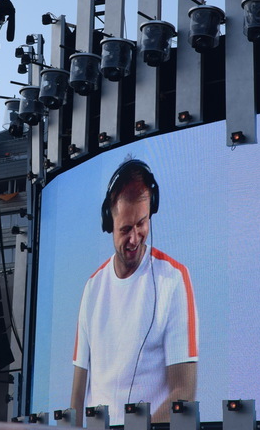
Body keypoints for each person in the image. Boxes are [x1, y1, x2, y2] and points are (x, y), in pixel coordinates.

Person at [70, 158, 198, 424]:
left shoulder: (173, 279)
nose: (135, 238)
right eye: (125, 229)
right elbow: (78, 394)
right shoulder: (93, 288)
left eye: (142, 223)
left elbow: (183, 391)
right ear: (109, 223)